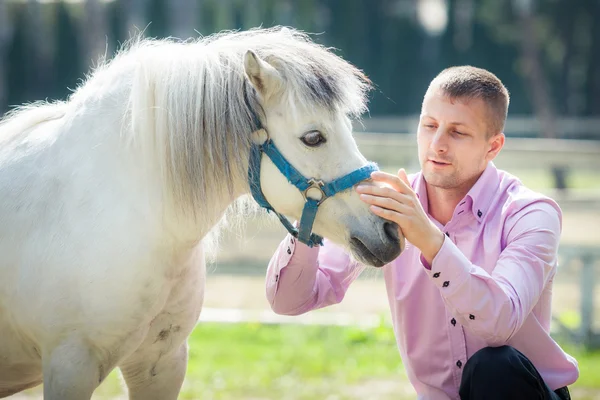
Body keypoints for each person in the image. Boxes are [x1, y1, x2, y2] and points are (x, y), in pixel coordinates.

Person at [264, 66, 579, 400]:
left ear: (493, 147)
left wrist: (428, 237)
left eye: (458, 132)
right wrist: (314, 217)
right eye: (429, 126)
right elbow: (290, 301)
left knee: (493, 366)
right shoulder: (387, 205)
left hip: (521, 392)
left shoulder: (532, 213)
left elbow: (499, 323)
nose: (437, 144)